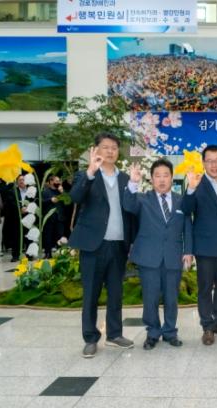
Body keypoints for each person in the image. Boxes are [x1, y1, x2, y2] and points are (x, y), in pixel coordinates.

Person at [69, 132, 136, 358]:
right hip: (93, 246)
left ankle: (115, 334)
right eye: (105, 147)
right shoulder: (86, 175)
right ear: (96, 149)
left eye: (114, 148)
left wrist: (132, 241)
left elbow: (131, 212)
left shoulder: (126, 179)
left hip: (118, 245)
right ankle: (90, 338)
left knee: (116, 293)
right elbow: (75, 197)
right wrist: (90, 171)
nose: (110, 151)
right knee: (91, 294)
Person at [123, 159, 193, 350]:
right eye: (157, 176)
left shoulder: (181, 200)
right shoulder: (142, 199)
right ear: (151, 179)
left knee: (171, 298)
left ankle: (170, 332)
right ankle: (153, 332)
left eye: (165, 175)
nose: (162, 180)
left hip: (173, 256)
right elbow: (128, 205)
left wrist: (188, 251)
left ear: (172, 178)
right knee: (150, 298)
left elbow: (187, 226)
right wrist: (133, 182)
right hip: (149, 257)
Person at [182, 145, 217, 346]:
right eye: (209, 161)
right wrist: (190, 189)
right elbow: (186, 210)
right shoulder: (196, 183)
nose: (214, 165)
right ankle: (207, 326)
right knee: (205, 288)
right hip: (205, 247)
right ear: (203, 163)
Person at [4, 174, 29, 262]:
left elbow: (35, 201)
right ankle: (15, 255)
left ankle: (29, 255)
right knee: (16, 236)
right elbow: (11, 202)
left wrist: (28, 208)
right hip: (16, 217)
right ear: (17, 182)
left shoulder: (31, 191)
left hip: (29, 216)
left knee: (28, 236)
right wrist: (20, 209)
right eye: (20, 180)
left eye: (24, 179)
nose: (22, 181)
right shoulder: (12, 191)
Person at [42, 175, 66, 258]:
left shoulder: (60, 191)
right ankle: (48, 253)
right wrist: (50, 200)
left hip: (60, 217)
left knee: (60, 235)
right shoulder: (45, 191)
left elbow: (68, 202)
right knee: (48, 236)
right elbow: (41, 203)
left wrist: (63, 192)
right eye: (56, 181)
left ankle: (61, 254)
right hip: (49, 218)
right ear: (51, 182)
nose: (58, 182)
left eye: (59, 181)